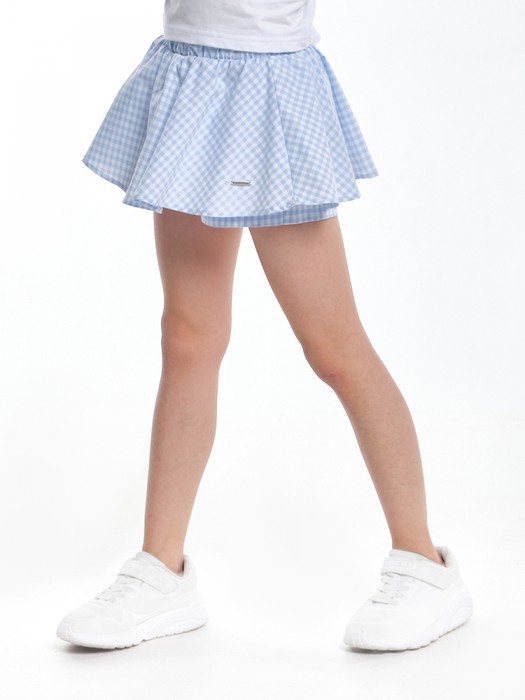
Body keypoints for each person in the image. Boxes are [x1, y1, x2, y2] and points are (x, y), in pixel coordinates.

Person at [56, 0, 474, 652]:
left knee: (334, 347)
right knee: (187, 338)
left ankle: (425, 566)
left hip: (271, 88)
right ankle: (162, 571)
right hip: (191, 75)